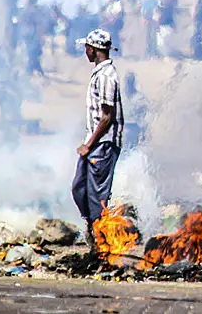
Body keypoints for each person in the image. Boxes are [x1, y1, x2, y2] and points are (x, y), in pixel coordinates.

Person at [71, 29, 125, 250]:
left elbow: (107, 117)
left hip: (102, 145)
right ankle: (94, 229)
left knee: (97, 198)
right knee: (79, 188)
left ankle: (102, 246)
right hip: (95, 143)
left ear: (93, 49)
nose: (85, 51)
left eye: (87, 48)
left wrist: (88, 144)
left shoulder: (106, 77)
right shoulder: (100, 74)